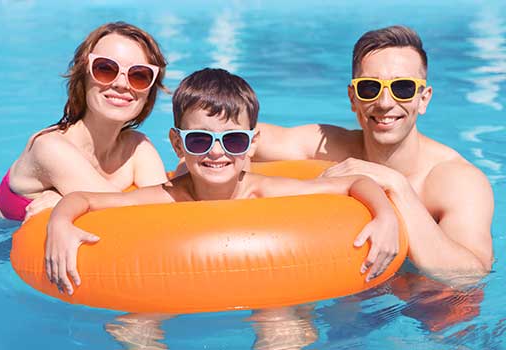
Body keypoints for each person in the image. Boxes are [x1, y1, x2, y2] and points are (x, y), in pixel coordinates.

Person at [45, 67, 399, 296]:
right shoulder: (168, 196)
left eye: (234, 141)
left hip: (271, 286)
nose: (217, 153)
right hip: (169, 289)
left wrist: (384, 216)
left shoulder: (263, 190)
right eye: (200, 139)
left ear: (252, 144)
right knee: (136, 323)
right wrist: (60, 222)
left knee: (283, 320)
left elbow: (355, 183)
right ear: (177, 143)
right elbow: (84, 200)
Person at [253, 25, 494, 282]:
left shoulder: (457, 180)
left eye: (403, 88)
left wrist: (397, 186)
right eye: (370, 88)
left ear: (423, 99)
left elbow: (469, 276)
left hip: (428, 303)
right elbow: (239, 134)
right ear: (352, 98)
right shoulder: (326, 146)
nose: (385, 103)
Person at [0, 21, 168, 222]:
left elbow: (167, 216)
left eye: (139, 75)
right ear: (82, 77)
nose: (121, 84)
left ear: (149, 92)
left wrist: (69, 201)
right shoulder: (50, 148)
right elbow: (122, 219)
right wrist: (74, 204)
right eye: (105, 68)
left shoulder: (138, 148)